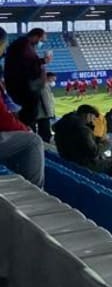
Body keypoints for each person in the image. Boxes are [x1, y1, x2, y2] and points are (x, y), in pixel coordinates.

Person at [0, 28, 45, 187]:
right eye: (3, 46)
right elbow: (2, 118)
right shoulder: (24, 48)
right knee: (33, 141)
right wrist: (23, 128)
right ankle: (35, 194)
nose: (4, 50)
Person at [53, 104, 112, 176]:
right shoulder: (83, 129)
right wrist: (107, 144)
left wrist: (96, 139)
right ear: (88, 115)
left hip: (65, 157)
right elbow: (93, 153)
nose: (92, 121)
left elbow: (80, 141)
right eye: (93, 118)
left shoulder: (66, 122)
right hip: (81, 163)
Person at [3, 26, 51, 127]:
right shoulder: (23, 45)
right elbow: (27, 63)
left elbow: (28, 62)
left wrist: (42, 61)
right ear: (36, 36)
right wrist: (42, 62)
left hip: (21, 84)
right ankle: (23, 129)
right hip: (22, 85)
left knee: (30, 112)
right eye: (41, 40)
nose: (41, 43)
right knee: (30, 113)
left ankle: (25, 128)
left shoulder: (24, 45)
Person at [34, 71, 57, 143]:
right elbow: (46, 100)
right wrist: (50, 113)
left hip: (40, 113)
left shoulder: (42, 85)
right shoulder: (44, 86)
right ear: (48, 78)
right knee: (45, 133)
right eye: (53, 79)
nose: (53, 81)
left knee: (42, 131)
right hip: (44, 114)